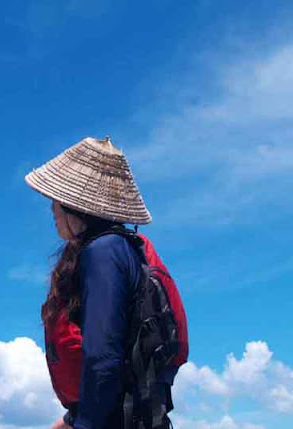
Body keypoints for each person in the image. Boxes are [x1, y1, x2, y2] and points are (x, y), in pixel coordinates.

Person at [24, 136, 187, 429]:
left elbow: (103, 354)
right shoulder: (124, 249)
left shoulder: (103, 252)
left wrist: (85, 424)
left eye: (55, 200)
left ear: (76, 206)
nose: (52, 209)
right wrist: (71, 419)